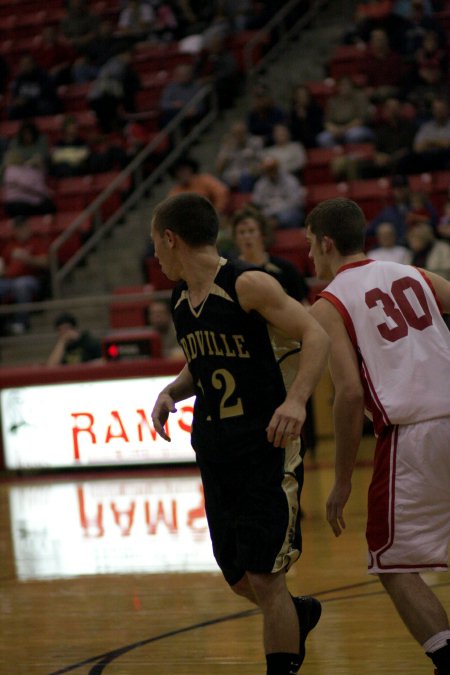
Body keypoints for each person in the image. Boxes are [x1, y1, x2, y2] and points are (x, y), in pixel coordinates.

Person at [150, 193, 329, 674]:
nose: (156, 257)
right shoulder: (182, 299)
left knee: (266, 578)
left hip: (265, 447)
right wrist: (173, 389)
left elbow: (317, 336)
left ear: (171, 239)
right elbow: (201, 362)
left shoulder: (247, 283)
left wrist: (296, 401)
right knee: (237, 575)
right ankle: (299, 614)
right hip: (215, 450)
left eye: (156, 245)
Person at [306, 197, 450, 675]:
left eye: (309, 246)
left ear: (326, 243)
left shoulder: (329, 302)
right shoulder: (412, 272)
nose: (308, 256)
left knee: (389, 561)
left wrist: (342, 481)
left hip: (414, 431)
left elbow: (347, 395)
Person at [231, 207, 309, 303]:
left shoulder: (286, 268)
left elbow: (303, 304)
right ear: (235, 238)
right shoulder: (230, 272)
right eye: (242, 232)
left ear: (262, 234)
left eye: (251, 231)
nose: (246, 236)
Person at [0, 217, 50, 334]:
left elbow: (45, 262)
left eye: (22, 227)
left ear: (28, 228)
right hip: (8, 279)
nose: (20, 231)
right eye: (17, 228)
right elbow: (3, 265)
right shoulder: (11, 245)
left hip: (32, 279)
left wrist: (27, 259)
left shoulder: (36, 242)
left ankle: (21, 322)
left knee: (21, 285)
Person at [316, 76, 375, 148]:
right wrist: (333, 129)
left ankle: (353, 156)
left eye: (346, 85)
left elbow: (361, 120)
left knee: (354, 135)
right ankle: (338, 154)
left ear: (352, 86)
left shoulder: (360, 97)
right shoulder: (333, 101)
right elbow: (327, 121)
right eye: (341, 85)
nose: (344, 87)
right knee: (323, 138)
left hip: (356, 128)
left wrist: (344, 129)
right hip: (337, 129)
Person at [252, 156, 305, 229]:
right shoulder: (260, 184)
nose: (271, 172)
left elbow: (296, 202)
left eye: (272, 169)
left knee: (287, 217)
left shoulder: (290, 181)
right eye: (268, 170)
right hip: (268, 214)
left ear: (277, 168)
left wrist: (276, 214)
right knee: (256, 219)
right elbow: (257, 203)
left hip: (288, 212)